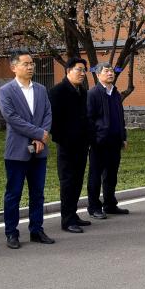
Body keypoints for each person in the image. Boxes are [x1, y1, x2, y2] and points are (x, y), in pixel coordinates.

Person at [0, 52, 54, 249]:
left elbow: (47, 113)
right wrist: (38, 133)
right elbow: (12, 117)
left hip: (39, 150)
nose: (30, 67)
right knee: (14, 193)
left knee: (37, 193)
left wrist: (41, 137)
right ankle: (11, 233)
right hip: (17, 150)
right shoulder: (6, 90)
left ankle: (36, 229)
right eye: (25, 64)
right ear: (14, 67)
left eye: (32, 63)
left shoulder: (40, 89)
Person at [49, 57, 93, 232]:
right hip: (66, 145)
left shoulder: (82, 91)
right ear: (68, 71)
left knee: (77, 181)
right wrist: (63, 139)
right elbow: (53, 120)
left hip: (82, 144)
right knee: (67, 182)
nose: (82, 74)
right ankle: (67, 220)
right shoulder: (57, 91)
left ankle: (73, 214)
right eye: (79, 70)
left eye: (84, 70)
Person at [87, 63, 128, 217]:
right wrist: (94, 138)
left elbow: (120, 117)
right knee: (95, 176)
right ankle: (94, 207)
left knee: (111, 175)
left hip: (115, 141)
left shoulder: (115, 93)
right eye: (106, 71)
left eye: (111, 71)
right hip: (99, 142)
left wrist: (123, 137)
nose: (110, 73)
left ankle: (110, 204)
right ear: (98, 75)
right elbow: (89, 119)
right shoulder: (93, 93)